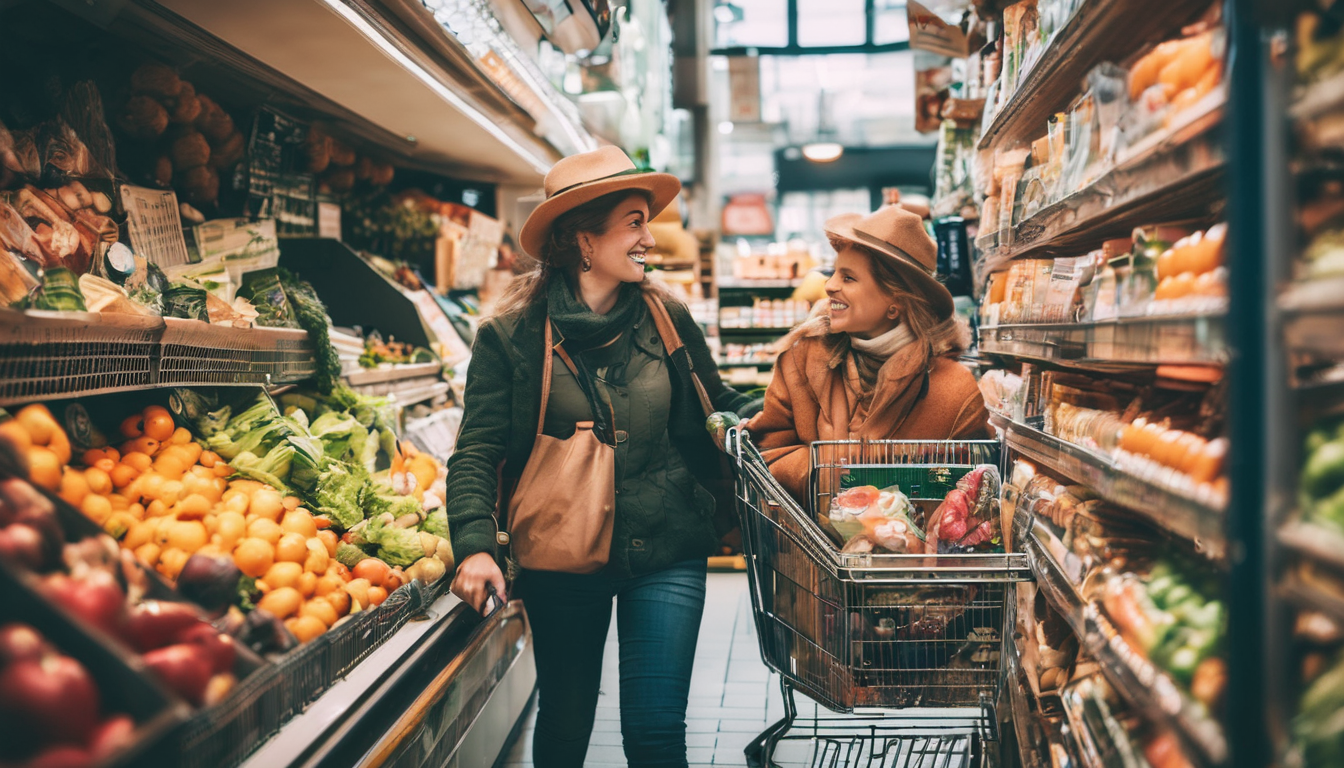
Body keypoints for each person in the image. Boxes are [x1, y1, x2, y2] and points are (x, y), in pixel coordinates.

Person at [445, 146, 753, 768]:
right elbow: (477, 449)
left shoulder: (667, 317)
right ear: (583, 238)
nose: (650, 238)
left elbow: (714, 403)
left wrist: (784, 408)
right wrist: (475, 543)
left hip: (667, 543)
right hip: (562, 550)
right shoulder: (511, 337)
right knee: (566, 718)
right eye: (635, 222)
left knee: (656, 732)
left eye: (648, 221)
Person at [748, 204, 989, 501]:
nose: (830, 286)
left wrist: (898, 508)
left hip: (911, 546)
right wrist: (832, 481)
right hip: (809, 544)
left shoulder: (954, 392)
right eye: (834, 272)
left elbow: (973, 489)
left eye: (848, 277)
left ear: (895, 301)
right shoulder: (802, 360)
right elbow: (769, 448)